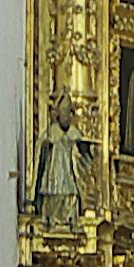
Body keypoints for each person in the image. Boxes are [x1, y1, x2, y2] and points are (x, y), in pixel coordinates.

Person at [32, 90, 92, 231]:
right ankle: (50, 220)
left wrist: (83, 149)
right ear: (58, 114)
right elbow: (41, 150)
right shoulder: (51, 131)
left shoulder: (74, 133)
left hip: (70, 175)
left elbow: (83, 159)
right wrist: (46, 146)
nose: (67, 117)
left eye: (69, 114)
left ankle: (70, 220)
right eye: (64, 113)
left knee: (71, 197)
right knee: (53, 196)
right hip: (54, 174)